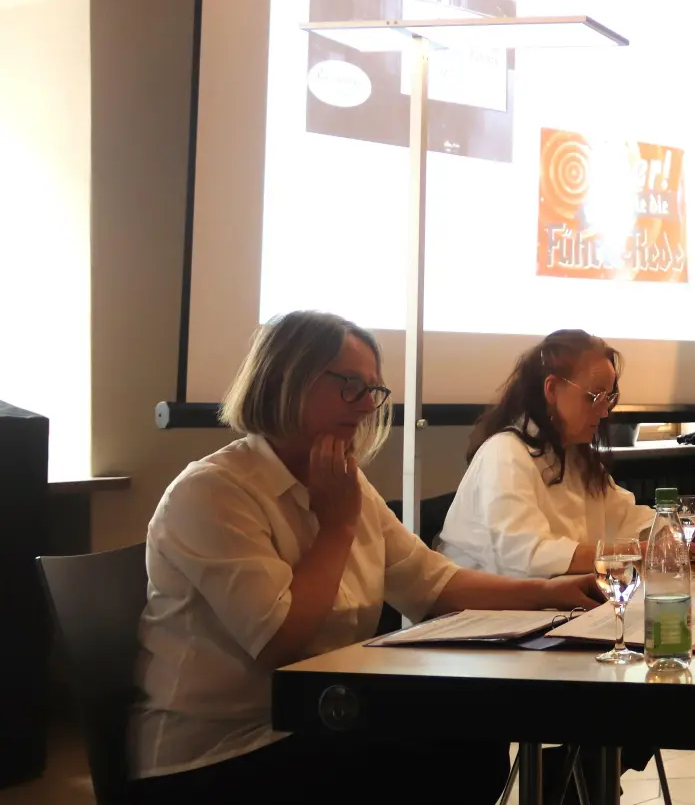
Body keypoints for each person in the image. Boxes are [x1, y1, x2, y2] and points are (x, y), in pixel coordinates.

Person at [129, 312, 603, 805]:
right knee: (451, 751)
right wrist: (336, 526)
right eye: (349, 386)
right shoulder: (212, 492)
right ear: (286, 380)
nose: (365, 408)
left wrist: (550, 593)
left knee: (468, 736)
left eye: (373, 391)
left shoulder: (342, 481)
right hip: (219, 755)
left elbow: (431, 584)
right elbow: (280, 643)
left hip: (319, 722)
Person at [437, 330, 695, 577]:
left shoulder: (577, 458)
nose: (604, 412)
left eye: (608, 398)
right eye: (594, 397)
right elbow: (528, 557)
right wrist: (639, 553)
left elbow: (627, 517)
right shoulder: (504, 453)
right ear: (551, 389)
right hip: (483, 617)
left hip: (546, 609)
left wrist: (674, 535)